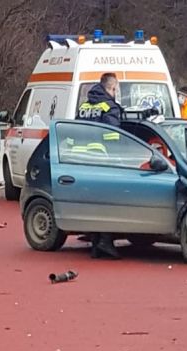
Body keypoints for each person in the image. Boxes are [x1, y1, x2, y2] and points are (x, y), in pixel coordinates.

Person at [76, 73, 124, 259]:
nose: (115, 93)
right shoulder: (109, 107)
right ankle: (104, 240)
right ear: (111, 88)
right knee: (107, 202)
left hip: (82, 160)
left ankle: (96, 242)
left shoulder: (84, 106)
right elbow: (113, 137)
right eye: (115, 89)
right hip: (102, 160)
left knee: (92, 202)